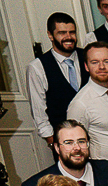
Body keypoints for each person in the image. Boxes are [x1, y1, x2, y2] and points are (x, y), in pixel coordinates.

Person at [65, 42, 108, 163]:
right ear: (86, 66)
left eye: (107, 61)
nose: (102, 67)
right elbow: (75, 147)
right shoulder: (80, 104)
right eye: (95, 62)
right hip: (106, 169)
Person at [26, 11, 83, 146]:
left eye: (72, 32)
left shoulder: (88, 56)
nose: (69, 37)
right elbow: (39, 111)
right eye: (62, 33)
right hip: (64, 141)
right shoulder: (37, 67)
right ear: (50, 35)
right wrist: (54, 142)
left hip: (95, 135)